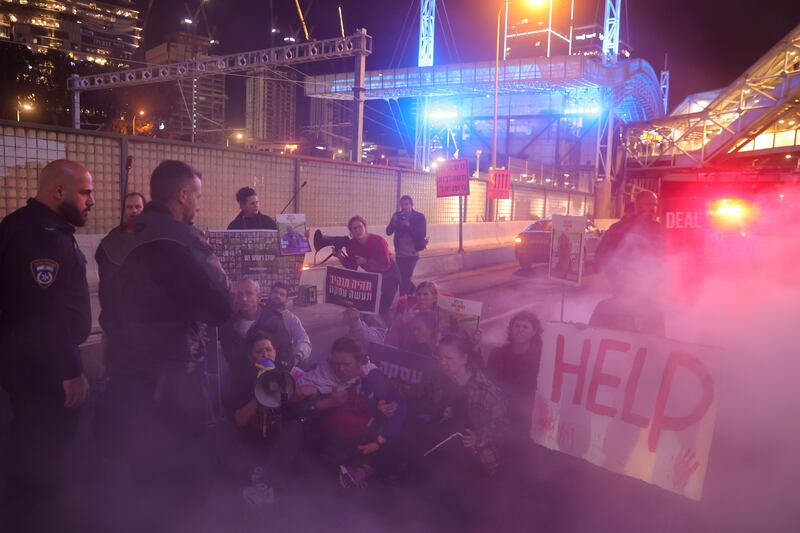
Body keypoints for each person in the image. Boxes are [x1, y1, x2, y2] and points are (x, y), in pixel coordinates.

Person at [94, 160, 232, 525]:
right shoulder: (184, 238)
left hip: (121, 371)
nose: (198, 206)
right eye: (197, 197)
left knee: (134, 460)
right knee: (186, 467)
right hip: (175, 376)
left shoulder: (114, 238)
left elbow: (109, 313)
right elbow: (222, 306)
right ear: (182, 195)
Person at [0, 159, 94, 531]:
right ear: (59, 191)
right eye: (85, 192)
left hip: (20, 361)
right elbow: (45, 312)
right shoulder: (44, 236)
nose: (92, 201)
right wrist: (71, 372)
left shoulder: (17, 225)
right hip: (44, 370)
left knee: (28, 440)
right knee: (45, 449)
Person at [297, 337, 406, 488]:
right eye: (337, 364)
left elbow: (399, 406)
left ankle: (360, 473)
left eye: (347, 364)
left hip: (360, 443)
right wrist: (326, 402)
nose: (341, 369)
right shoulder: (322, 373)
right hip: (324, 439)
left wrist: (379, 440)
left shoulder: (372, 377)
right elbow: (296, 403)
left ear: (359, 362)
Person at [432, 334, 507, 478]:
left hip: (475, 459)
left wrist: (479, 437)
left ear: (464, 358)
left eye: (448, 358)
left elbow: (502, 424)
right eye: (440, 358)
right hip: (443, 452)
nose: (442, 363)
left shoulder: (485, 390)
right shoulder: (441, 382)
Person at [334, 215, 400, 324]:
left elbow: (385, 265)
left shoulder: (379, 241)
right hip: (373, 276)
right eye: (354, 229)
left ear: (365, 228)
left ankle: (390, 333)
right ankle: (369, 333)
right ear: (351, 232)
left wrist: (366, 262)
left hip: (389, 275)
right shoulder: (351, 246)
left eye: (359, 227)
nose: (357, 231)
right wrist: (340, 257)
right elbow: (352, 266)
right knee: (367, 307)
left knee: (383, 308)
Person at [486, 311, 543, 436]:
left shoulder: (542, 358)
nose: (520, 330)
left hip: (530, 416)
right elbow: (488, 383)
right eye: (517, 325)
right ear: (511, 329)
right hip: (502, 413)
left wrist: (576, 331)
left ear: (534, 332)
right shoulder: (498, 354)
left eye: (525, 326)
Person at [220, 278, 294, 372]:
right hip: (239, 382)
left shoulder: (273, 321)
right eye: (239, 294)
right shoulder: (229, 324)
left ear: (258, 297)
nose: (243, 298)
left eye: (249, 293)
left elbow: (286, 356)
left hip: (268, 381)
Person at [594, 190, 666, 284]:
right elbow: (601, 255)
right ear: (637, 205)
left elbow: (666, 256)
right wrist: (616, 277)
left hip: (653, 288)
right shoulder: (619, 228)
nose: (653, 208)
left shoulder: (658, 229)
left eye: (655, 205)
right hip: (626, 287)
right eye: (648, 205)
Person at [386, 195, 427, 296]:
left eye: (406, 204)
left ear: (411, 205)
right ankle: (414, 291)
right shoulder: (397, 216)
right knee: (401, 277)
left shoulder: (419, 217)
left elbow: (422, 234)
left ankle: (403, 301)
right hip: (400, 253)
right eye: (402, 205)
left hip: (412, 254)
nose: (404, 207)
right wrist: (393, 222)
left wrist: (409, 226)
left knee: (405, 278)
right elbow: (388, 232)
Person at [268, 281, 312, 367]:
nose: (277, 296)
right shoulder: (261, 312)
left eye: (282, 294)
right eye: (275, 292)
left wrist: (296, 357)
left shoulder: (291, 319)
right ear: (270, 294)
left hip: (283, 363)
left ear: (286, 299)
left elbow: (305, 340)